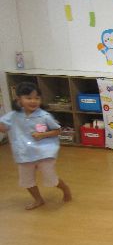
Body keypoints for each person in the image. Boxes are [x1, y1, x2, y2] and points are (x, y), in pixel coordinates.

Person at [0, 81, 71, 210]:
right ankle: (38, 199)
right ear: (19, 100)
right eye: (28, 98)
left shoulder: (44, 116)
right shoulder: (13, 116)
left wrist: (43, 135)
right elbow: (3, 128)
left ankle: (65, 189)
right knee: (26, 180)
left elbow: (57, 130)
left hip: (44, 153)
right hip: (24, 153)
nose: (33, 101)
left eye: (36, 98)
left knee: (50, 178)